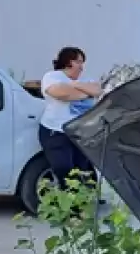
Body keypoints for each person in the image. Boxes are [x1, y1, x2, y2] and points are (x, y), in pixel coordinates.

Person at [38, 46, 102, 190]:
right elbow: (60, 93)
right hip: (56, 131)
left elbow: (97, 90)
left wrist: (75, 84)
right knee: (64, 168)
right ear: (68, 61)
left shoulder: (85, 79)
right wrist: (86, 93)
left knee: (82, 169)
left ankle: (80, 204)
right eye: (79, 62)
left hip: (79, 133)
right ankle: (65, 202)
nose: (81, 67)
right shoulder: (52, 77)